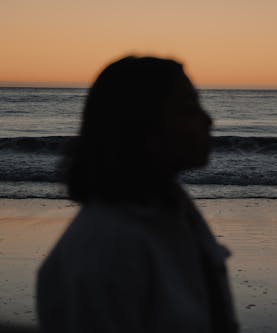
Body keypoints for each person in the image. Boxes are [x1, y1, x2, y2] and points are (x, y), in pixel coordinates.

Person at [36, 56, 239, 333]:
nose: (208, 120)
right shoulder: (106, 250)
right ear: (143, 128)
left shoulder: (174, 212)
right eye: (188, 108)